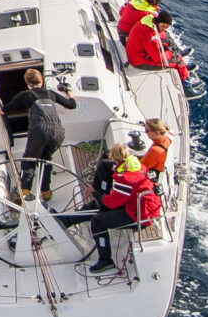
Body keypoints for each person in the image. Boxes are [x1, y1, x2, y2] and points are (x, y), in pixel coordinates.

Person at [89, 151, 162, 272]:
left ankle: (105, 260)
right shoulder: (139, 167)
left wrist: (96, 194)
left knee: (97, 221)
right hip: (146, 210)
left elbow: (112, 203)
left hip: (139, 217)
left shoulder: (126, 179)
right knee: (103, 211)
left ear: (116, 161)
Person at [15, 67, 77, 201]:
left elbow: (8, 108)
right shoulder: (51, 94)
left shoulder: (26, 95)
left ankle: (25, 192)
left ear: (28, 84)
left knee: (29, 161)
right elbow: (72, 104)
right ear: (41, 82)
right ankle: (46, 192)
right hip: (57, 134)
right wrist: (68, 90)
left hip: (39, 132)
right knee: (46, 160)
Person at [126, 9, 196, 84]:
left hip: (140, 52)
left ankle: (181, 60)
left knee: (166, 37)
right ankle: (185, 83)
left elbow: (160, 36)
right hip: (138, 60)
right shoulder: (149, 33)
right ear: (158, 22)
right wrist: (171, 54)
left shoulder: (150, 22)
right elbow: (159, 58)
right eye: (163, 26)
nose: (164, 29)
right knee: (178, 62)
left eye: (167, 27)